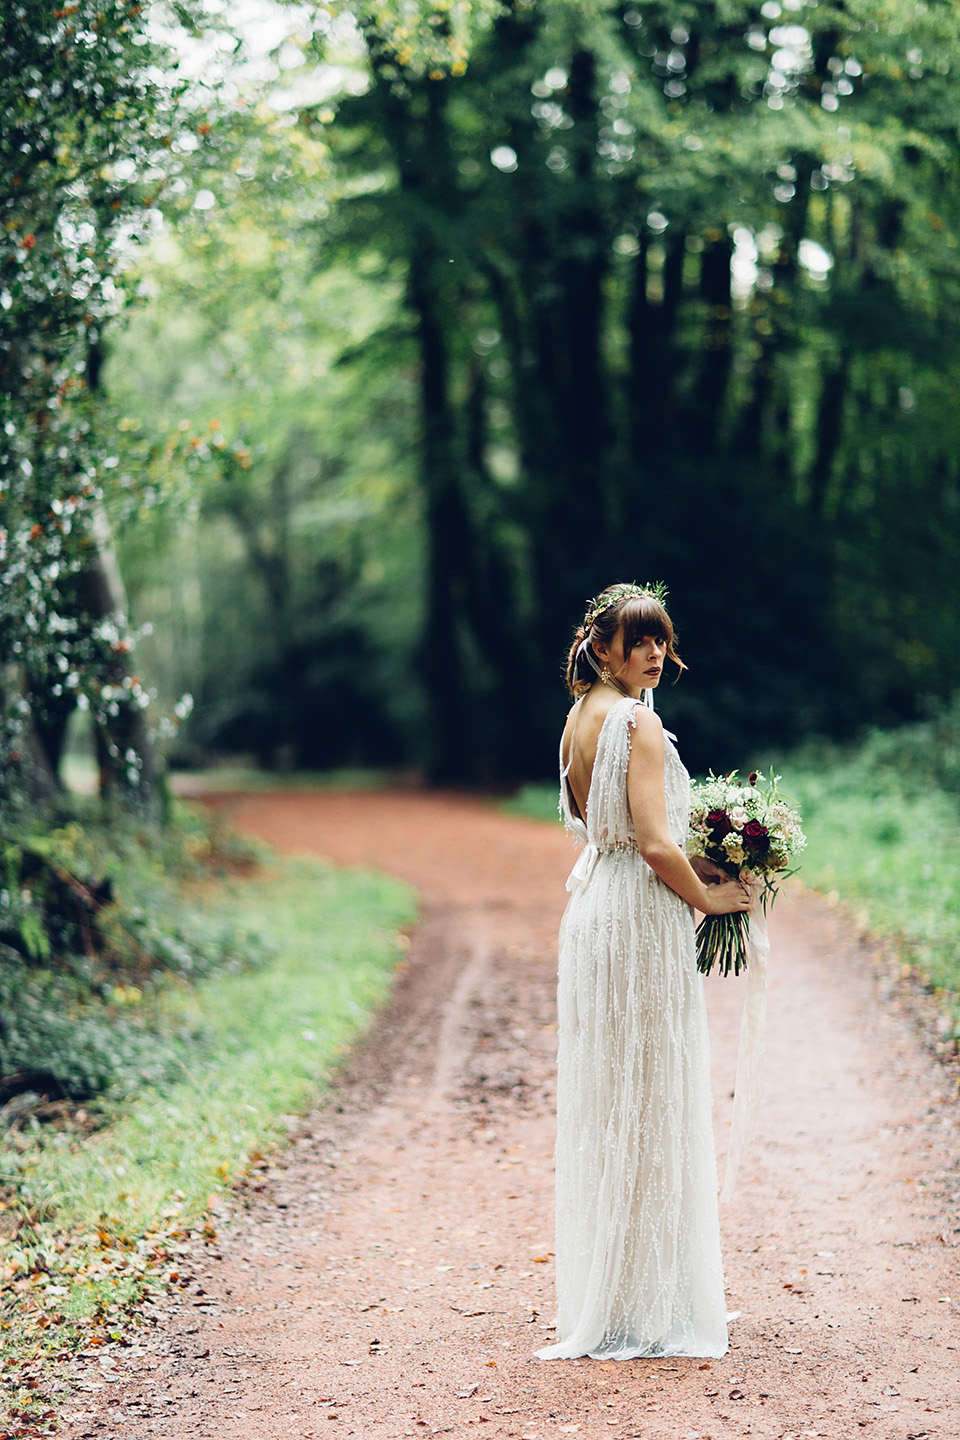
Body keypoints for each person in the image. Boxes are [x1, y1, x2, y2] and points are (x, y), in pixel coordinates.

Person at [537, 582, 751, 1362]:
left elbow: (616, 832)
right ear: (601, 648)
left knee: (614, 1095)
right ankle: (652, 1302)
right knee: (651, 1095)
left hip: (596, 910)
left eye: (661, 639)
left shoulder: (576, 722)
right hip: (638, 918)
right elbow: (657, 847)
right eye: (639, 641)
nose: (654, 653)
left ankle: (624, 1295)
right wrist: (715, 899)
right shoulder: (639, 721)